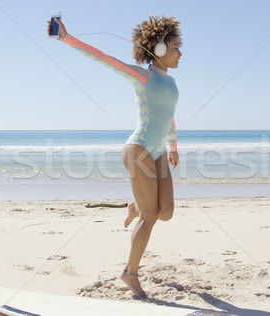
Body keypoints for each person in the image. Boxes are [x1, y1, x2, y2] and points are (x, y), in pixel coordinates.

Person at [49, 15, 182, 297]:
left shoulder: (172, 85)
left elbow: (168, 115)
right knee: (151, 215)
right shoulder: (142, 76)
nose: (179, 52)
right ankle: (129, 273)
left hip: (158, 151)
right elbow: (103, 57)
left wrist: (173, 146)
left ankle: (134, 206)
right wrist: (66, 38)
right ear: (158, 49)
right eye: (174, 47)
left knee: (166, 212)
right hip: (139, 150)